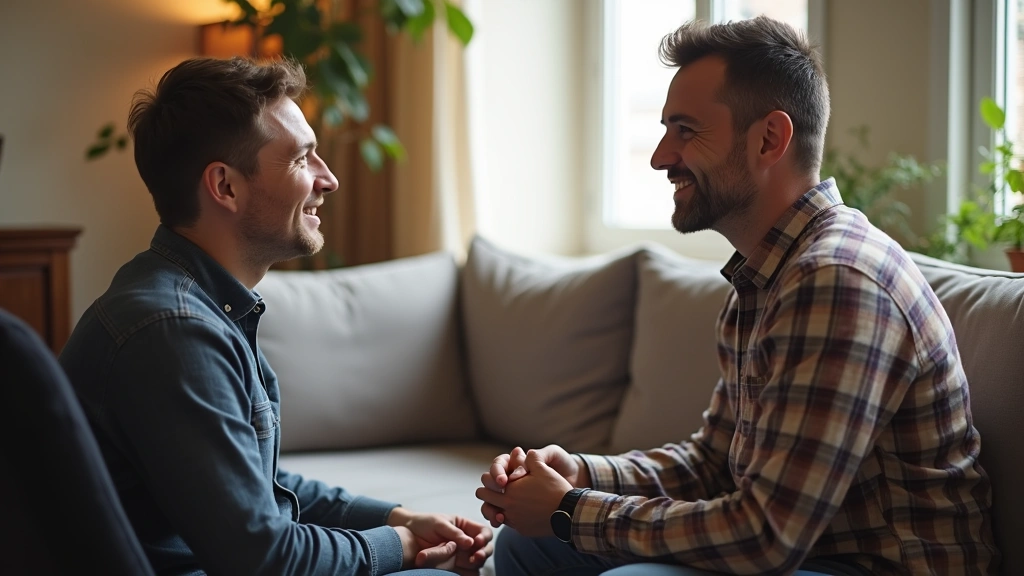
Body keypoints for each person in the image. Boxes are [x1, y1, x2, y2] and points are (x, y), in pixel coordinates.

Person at [476, 16, 999, 576]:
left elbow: (766, 536)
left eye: (685, 130)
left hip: (879, 565)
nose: (659, 156)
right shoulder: (765, 276)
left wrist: (568, 511)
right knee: (526, 546)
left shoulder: (838, 281)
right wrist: (581, 475)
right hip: (812, 552)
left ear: (770, 139)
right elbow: (713, 464)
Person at [59, 57, 492, 576]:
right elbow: (266, 559)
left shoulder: (192, 303)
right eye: (301, 159)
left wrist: (396, 517)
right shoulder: (173, 332)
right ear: (225, 186)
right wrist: (398, 545)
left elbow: (257, 485)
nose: (327, 179)